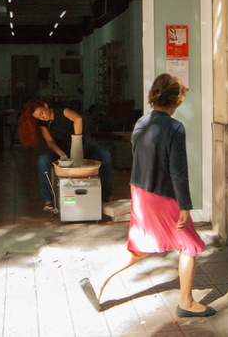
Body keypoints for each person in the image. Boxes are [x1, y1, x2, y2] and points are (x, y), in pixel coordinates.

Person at [78, 74, 215, 317]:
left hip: (140, 192)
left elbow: (139, 157)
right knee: (190, 245)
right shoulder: (175, 128)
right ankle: (187, 303)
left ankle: (97, 283)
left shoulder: (140, 123)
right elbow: (178, 171)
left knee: (140, 246)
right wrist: (185, 205)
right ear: (175, 101)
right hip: (161, 196)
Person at [17, 98, 113, 210]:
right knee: (43, 159)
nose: (42, 117)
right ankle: (48, 200)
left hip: (81, 145)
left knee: (105, 154)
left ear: (45, 105)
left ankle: (106, 195)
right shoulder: (43, 124)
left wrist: (76, 143)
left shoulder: (62, 111)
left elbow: (78, 119)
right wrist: (62, 155)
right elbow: (50, 142)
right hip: (62, 149)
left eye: (41, 113)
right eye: (38, 117)